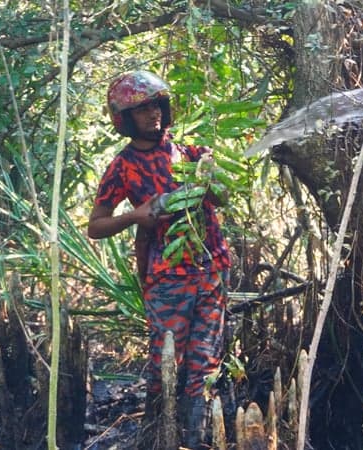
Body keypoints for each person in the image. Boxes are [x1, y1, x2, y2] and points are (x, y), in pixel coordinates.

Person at [87, 70, 230, 449]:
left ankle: (196, 440)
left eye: (156, 107)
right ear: (125, 118)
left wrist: (212, 178)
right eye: (142, 110)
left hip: (211, 268)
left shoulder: (191, 154)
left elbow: (223, 197)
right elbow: (96, 226)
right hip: (167, 278)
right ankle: (158, 438)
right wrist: (136, 215)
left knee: (206, 363)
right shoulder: (123, 166)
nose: (152, 115)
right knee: (166, 363)